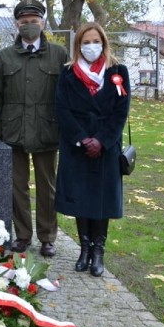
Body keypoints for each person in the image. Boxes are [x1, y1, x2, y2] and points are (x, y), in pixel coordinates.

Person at [0, 0, 69, 258]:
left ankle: (47, 237)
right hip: (14, 132)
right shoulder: (5, 56)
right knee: (17, 187)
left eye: (34, 22)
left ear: (42, 23)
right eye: (24, 22)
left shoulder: (59, 54)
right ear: (16, 24)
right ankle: (23, 235)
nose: (29, 26)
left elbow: (68, 96)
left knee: (48, 187)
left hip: (48, 131)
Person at [55, 22, 130, 277]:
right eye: (85, 42)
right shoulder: (67, 73)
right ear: (78, 46)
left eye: (95, 41)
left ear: (104, 43)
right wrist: (81, 139)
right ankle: (84, 248)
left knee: (101, 200)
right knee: (82, 198)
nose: (91, 46)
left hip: (106, 146)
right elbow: (62, 109)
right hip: (77, 146)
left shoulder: (118, 72)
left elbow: (122, 110)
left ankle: (98, 251)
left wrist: (101, 140)